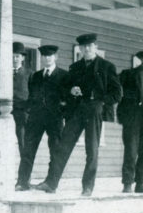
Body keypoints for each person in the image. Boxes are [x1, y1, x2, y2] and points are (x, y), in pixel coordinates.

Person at [36, 34, 122, 196]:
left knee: (92, 149)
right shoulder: (75, 68)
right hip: (76, 111)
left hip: (94, 110)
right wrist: (71, 90)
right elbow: (64, 88)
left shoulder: (107, 66)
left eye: (90, 46)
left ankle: (87, 187)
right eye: (83, 47)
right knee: (62, 146)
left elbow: (117, 94)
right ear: (80, 49)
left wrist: (100, 102)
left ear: (96, 47)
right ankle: (51, 183)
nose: (87, 49)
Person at [16, 45, 67, 191]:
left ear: (55, 57)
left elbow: (66, 99)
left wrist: (61, 111)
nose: (46, 59)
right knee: (28, 149)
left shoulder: (63, 75)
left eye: (49, 56)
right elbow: (32, 97)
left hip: (54, 119)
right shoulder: (36, 76)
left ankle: (51, 183)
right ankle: (22, 182)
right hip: (36, 118)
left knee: (55, 150)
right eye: (44, 56)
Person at [117, 50, 143, 193]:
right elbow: (113, 84)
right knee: (131, 150)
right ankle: (127, 183)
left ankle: (141, 183)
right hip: (132, 117)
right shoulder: (128, 75)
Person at [10, 42, 31, 159]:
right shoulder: (4, 73)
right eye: (12, 56)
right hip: (7, 113)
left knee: (23, 144)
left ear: (22, 57)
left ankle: (24, 175)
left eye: (17, 56)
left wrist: (27, 110)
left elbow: (33, 95)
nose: (14, 59)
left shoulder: (29, 74)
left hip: (23, 114)